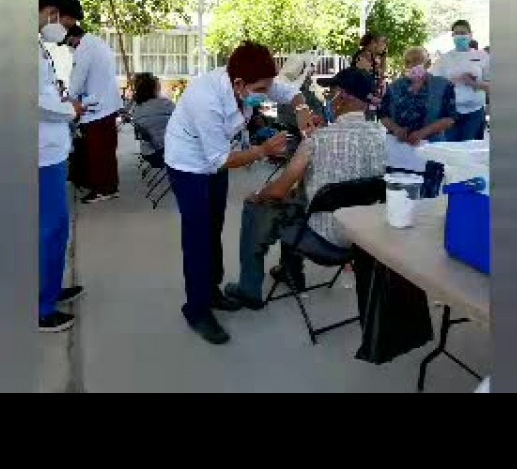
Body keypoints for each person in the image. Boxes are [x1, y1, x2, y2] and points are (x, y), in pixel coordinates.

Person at [164, 41, 316, 345]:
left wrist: (301, 110)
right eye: (261, 89)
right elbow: (220, 160)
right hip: (188, 165)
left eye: (268, 86)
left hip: (215, 160)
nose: (266, 92)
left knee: (214, 227)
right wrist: (263, 150)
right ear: (238, 83)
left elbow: (291, 93)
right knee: (197, 236)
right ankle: (196, 309)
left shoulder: (255, 81)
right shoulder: (206, 98)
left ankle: (211, 291)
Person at [223, 67, 386, 309]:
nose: (327, 99)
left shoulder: (317, 140)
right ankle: (290, 272)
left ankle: (249, 290)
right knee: (296, 199)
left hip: (325, 239)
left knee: (259, 205)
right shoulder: (382, 135)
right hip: (365, 238)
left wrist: (258, 194)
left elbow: (278, 191)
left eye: (330, 93)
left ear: (342, 96)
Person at [38, 0, 87, 333]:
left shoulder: (38, 46)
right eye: (65, 23)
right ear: (51, 11)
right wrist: (71, 110)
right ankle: (42, 307)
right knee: (50, 229)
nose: (65, 31)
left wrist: (65, 103)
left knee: (56, 228)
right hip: (41, 156)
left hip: (52, 151)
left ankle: (51, 289)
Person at [64, 25, 124, 204]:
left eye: (68, 42)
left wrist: (68, 98)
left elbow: (77, 79)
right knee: (107, 151)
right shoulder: (98, 43)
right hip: (107, 105)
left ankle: (101, 189)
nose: (69, 46)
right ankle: (110, 187)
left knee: (97, 152)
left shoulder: (84, 49)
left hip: (97, 109)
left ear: (73, 37)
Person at [380, 46, 456, 145]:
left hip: (431, 145)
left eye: (416, 60)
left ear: (428, 63)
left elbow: (450, 118)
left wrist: (423, 133)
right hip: (399, 145)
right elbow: (383, 115)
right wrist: (396, 129)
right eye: (408, 62)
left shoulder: (443, 85)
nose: (412, 64)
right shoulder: (394, 86)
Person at [432, 20, 491, 142]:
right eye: (457, 33)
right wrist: (450, 82)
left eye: (463, 33)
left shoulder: (482, 56)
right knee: (452, 149)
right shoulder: (444, 59)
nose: (460, 36)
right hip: (451, 113)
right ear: (453, 36)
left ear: (470, 35)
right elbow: (434, 85)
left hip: (475, 112)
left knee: (470, 150)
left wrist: (473, 83)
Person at [132, 73, 175, 165]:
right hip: (165, 153)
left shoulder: (136, 108)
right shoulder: (165, 104)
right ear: (155, 88)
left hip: (148, 153)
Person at [352, 33, 389, 120]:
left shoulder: (371, 56)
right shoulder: (364, 55)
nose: (377, 46)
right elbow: (369, 75)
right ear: (371, 43)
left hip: (368, 95)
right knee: (369, 118)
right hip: (364, 95)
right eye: (376, 43)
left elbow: (378, 74)